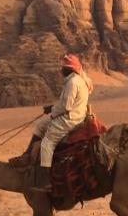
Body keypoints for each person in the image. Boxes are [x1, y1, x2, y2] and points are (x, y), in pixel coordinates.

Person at [30, 53, 93, 191]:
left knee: (47, 143)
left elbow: (66, 106)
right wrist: (51, 109)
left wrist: (52, 111)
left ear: (69, 69)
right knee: (40, 125)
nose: (61, 70)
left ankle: (45, 181)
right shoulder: (76, 80)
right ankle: (28, 156)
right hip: (72, 115)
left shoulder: (73, 82)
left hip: (69, 119)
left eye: (63, 68)